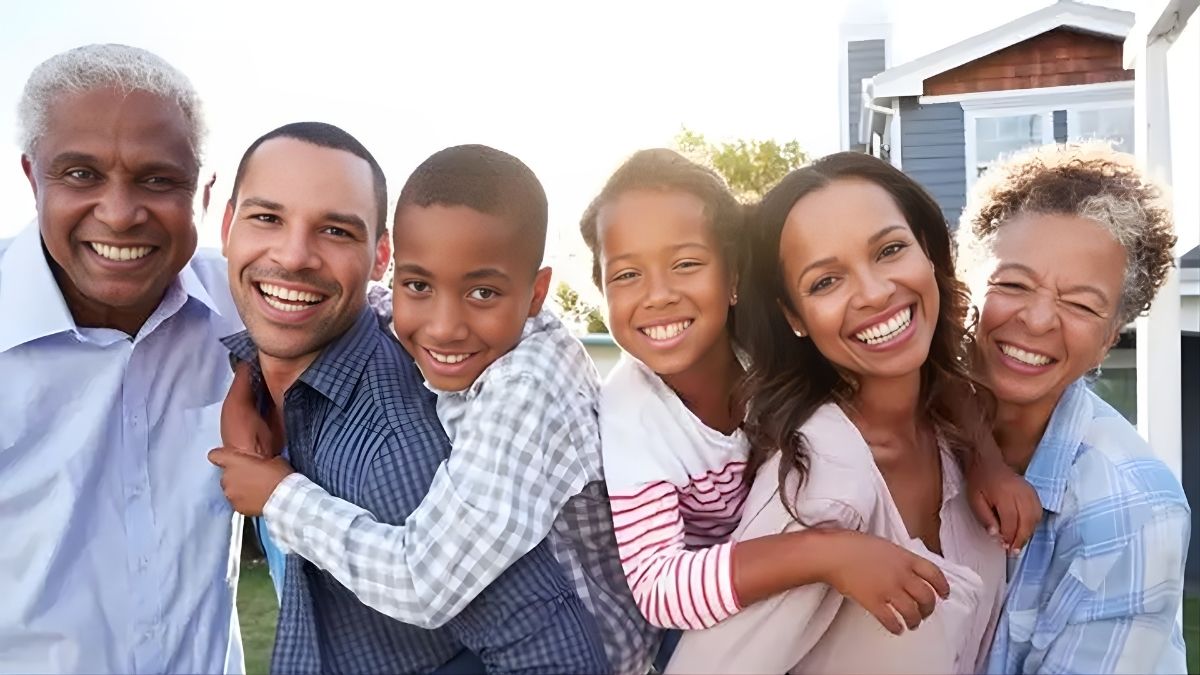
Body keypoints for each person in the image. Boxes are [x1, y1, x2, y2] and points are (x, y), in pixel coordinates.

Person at [209, 138, 625, 672]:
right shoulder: (389, 326)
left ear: (537, 293)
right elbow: (358, 306)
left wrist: (278, 496)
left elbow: (428, 586)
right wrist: (249, 381)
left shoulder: (507, 398)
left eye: (336, 230)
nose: (444, 325)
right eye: (419, 284)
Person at [579, 149, 982, 641]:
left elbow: (925, 379)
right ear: (601, 290)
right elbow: (659, 586)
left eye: (686, 263)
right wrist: (828, 552)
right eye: (625, 275)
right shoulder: (631, 414)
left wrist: (986, 462)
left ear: (732, 278)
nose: (658, 294)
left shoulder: (764, 345)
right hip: (710, 628)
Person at [665, 152, 1012, 674]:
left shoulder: (953, 427)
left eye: (890, 249)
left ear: (928, 252)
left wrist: (987, 456)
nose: (874, 293)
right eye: (825, 282)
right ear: (794, 317)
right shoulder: (820, 477)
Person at [0, 44, 244, 674]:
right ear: (33, 177)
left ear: (205, 193)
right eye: (80, 174)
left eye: (158, 179)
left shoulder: (248, 309)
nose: (119, 213)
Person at [956, 142, 1190, 674]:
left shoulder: (1134, 512)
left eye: (1081, 304)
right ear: (964, 287)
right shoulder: (907, 419)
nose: (1038, 320)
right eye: (1012, 284)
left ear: (1110, 339)